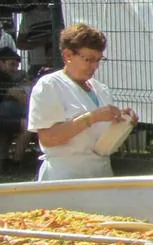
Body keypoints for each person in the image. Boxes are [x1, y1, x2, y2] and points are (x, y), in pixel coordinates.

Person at [28, 23, 137, 181]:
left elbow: (103, 144)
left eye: (99, 60)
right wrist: (92, 117)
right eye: (89, 59)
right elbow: (48, 138)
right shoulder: (50, 85)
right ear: (68, 55)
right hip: (65, 177)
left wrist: (123, 123)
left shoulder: (101, 89)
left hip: (101, 175)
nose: (95, 66)